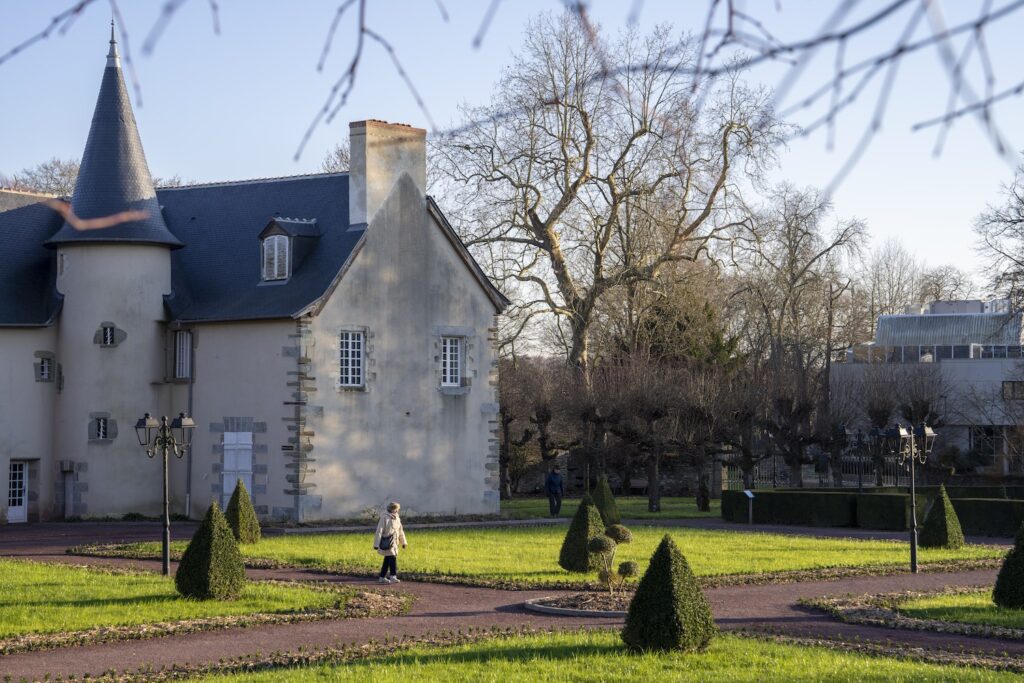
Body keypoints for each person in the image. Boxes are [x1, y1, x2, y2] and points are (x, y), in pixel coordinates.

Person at [373, 501, 408, 584]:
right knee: (392, 558)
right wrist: (376, 544)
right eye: (396, 509)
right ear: (392, 509)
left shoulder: (397, 518)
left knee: (387, 560)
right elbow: (379, 531)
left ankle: (382, 577)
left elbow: (400, 531)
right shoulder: (384, 517)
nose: (397, 511)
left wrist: (403, 542)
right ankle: (393, 576)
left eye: (397, 510)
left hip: (394, 543)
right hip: (387, 542)